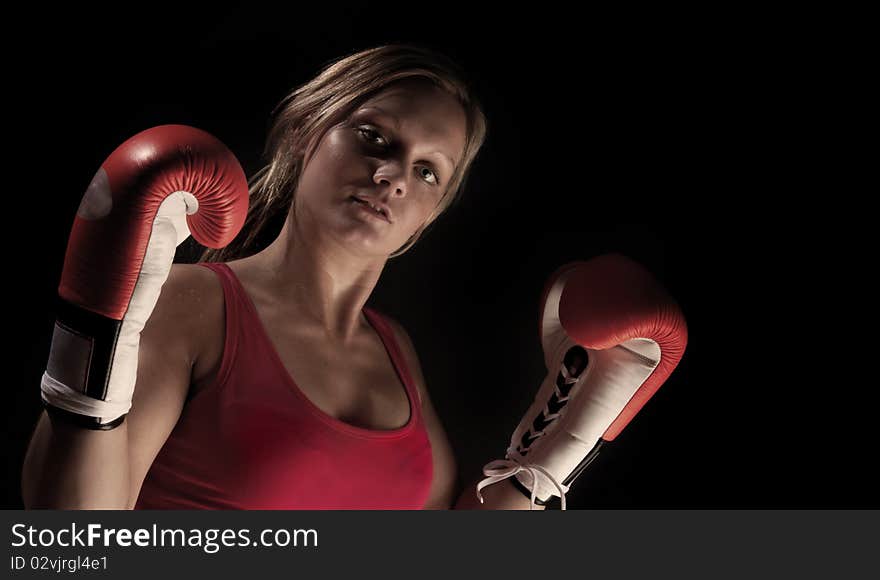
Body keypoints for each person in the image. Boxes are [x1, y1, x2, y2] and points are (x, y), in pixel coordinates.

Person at [22, 43, 551, 509]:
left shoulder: (397, 353)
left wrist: (555, 451)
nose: (392, 176)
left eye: (427, 170)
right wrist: (89, 336)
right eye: (374, 137)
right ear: (306, 132)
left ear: (432, 210)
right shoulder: (193, 304)